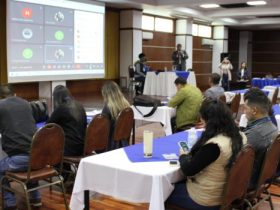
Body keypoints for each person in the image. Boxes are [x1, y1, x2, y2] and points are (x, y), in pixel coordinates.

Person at [167, 99, 247, 210]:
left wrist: (183, 156)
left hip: (206, 199)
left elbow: (188, 170)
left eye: (202, 118)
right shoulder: (240, 136)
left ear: (208, 120)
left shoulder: (215, 146)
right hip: (226, 194)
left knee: (163, 190)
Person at [0, 85, 41, 210]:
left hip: (18, 161)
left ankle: (10, 203)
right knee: (28, 156)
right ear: (15, 94)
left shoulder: (1, 105)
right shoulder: (26, 103)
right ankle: (35, 198)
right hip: (38, 158)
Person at [243, 88, 278, 189]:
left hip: (247, 183)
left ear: (254, 110)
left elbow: (234, 159)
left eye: (245, 108)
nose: (244, 112)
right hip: (262, 179)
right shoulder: (273, 127)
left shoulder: (254, 134)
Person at [47, 85, 87, 156]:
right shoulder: (80, 105)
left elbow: (48, 127)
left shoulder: (61, 108)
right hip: (83, 147)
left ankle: (56, 167)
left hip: (69, 149)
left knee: (47, 146)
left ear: (57, 98)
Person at [101, 81, 130, 150]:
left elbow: (102, 130)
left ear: (106, 94)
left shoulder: (108, 108)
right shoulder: (126, 106)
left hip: (110, 145)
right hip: (123, 143)